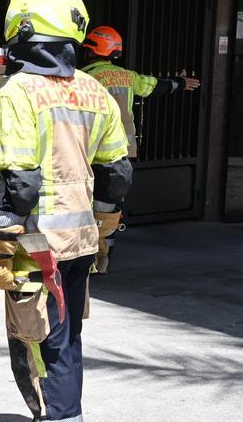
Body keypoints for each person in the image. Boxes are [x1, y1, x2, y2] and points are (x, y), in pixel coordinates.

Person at [0, 0, 132, 422]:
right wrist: (105, 227)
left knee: (41, 354)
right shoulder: (93, 90)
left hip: (36, 250)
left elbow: (20, 183)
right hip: (80, 245)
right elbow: (117, 172)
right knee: (60, 345)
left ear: (22, 30)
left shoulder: (19, 91)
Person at [81, 25, 201, 272]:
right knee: (111, 207)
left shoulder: (84, 77)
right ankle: (103, 258)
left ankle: (85, 256)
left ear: (91, 51)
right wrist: (179, 83)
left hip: (91, 148)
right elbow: (153, 85)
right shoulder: (127, 76)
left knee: (85, 202)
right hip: (123, 149)